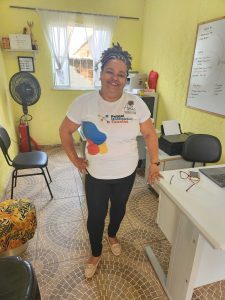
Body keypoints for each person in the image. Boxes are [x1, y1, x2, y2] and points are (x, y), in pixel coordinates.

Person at [59, 43, 161, 279]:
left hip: (126, 173)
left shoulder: (136, 104)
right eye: (110, 72)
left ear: (126, 78)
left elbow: (149, 135)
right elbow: (65, 131)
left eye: (121, 74)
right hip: (97, 175)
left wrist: (154, 163)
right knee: (95, 217)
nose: (115, 78)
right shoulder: (83, 102)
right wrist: (75, 160)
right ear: (101, 72)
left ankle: (112, 235)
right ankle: (95, 253)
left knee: (119, 211)